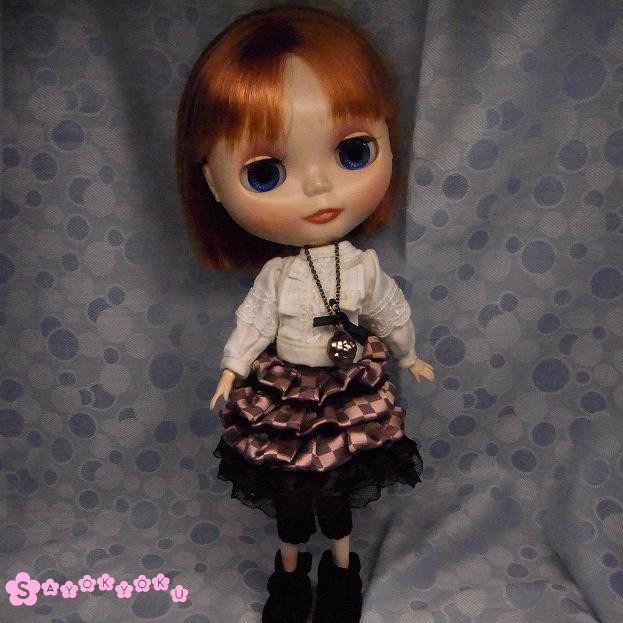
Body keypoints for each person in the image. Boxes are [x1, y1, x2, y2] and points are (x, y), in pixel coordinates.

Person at [175, 5, 435, 622]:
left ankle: (341, 570)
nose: (318, 188)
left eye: (353, 151)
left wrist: (408, 354)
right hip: (286, 395)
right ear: (213, 184)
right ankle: (290, 574)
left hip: (346, 391)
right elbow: (255, 321)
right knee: (291, 498)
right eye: (266, 173)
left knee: (338, 491)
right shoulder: (278, 275)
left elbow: (388, 307)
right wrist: (232, 368)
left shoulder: (362, 267)